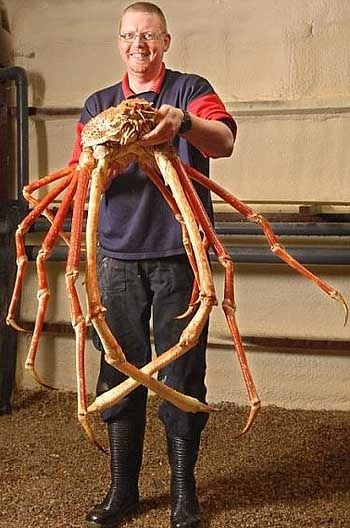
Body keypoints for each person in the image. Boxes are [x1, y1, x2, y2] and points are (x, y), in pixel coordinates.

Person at [69, 3, 237, 527]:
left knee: (184, 369)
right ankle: (122, 491)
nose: (137, 43)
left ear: (165, 42)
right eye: (128, 35)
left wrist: (181, 125)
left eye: (148, 35)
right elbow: (79, 175)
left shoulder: (188, 91)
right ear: (119, 43)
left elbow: (225, 140)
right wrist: (104, 158)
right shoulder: (99, 104)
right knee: (115, 363)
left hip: (178, 253)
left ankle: (184, 493)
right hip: (115, 256)